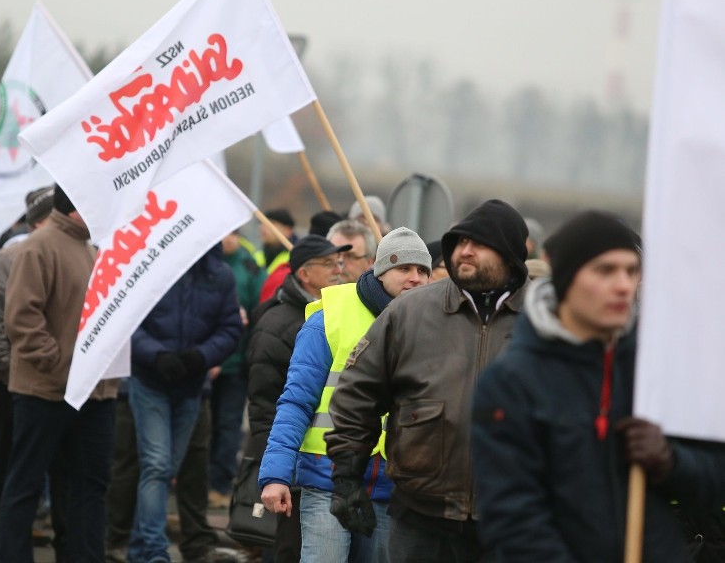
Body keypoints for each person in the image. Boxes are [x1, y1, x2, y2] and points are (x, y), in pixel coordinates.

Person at [471, 211, 725, 562]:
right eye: (605, 270)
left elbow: (714, 477)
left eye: (631, 271)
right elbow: (512, 519)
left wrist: (670, 461)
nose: (623, 284)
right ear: (565, 279)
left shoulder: (653, 370)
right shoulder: (511, 383)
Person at [325, 199, 530, 562]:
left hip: (513, 520)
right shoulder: (410, 311)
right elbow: (357, 395)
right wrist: (347, 477)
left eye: (479, 244)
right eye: (459, 242)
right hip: (420, 516)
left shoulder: (546, 320)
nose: (464, 251)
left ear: (511, 255)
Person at [260, 227, 431, 563]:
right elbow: (296, 401)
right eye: (404, 268)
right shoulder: (330, 319)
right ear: (380, 271)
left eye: (423, 270)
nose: (415, 278)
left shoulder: (434, 326)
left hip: (392, 487)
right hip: (328, 478)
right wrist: (276, 475)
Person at [0, 186, 119, 562]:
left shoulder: (92, 248)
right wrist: (60, 366)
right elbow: (21, 319)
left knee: (90, 485)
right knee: (26, 483)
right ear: (78, 206)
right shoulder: (39, 246)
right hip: (45, 391)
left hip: (96, 393)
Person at [126, 244, 243, 563]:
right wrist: (157, 355)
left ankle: (140, 547)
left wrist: (199, 356)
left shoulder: (219, 275)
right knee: (157, 465)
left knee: (165, 471)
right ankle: (153, 552)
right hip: (150, 381)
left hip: (191, 385)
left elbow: (231, 329)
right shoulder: (148, 265)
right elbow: (128, 321)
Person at [246, 235, 351, 562]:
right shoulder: (278, 323)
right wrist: (277, 466)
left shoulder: (339, 317)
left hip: (315, 463)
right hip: (292, 462)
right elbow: (267, 402)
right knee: (286, 550)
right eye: (328, 263)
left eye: (339, 262)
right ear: (304, 274)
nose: (338, 270)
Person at [0, 186, 55, 563]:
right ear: (39, 220)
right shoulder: (6, 259)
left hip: (53, 387)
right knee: (8, 471)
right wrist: (10, 369)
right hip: (12, 387)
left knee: (37, 473)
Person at [208, 230, 266, 507]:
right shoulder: (206, 261)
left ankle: (219, 484)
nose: (226, 239)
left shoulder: (249, 267)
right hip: (205, 361)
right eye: (223, 234)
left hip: (235, 363)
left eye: (232, 234)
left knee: (227, 425)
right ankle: (198, 482)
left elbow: (258, 313)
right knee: (203, 426)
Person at [327, 219, 377, 283]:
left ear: (369, 262)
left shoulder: (378, 292)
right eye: (335, 254)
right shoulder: (312, 288)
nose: (340, 261)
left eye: (349, 256)